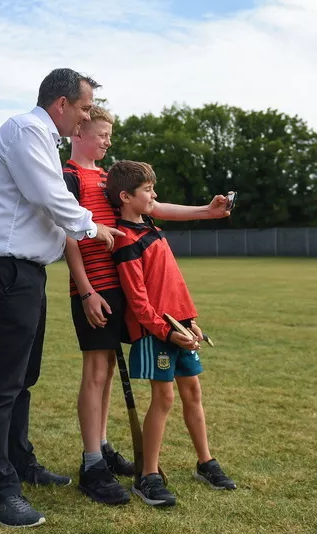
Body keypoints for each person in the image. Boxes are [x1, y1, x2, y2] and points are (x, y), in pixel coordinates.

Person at [0, 68, 124, 528]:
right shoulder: (26, 131)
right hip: (4, 269)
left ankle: (19, 462)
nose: (86, 116)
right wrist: (94, 227)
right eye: (85, 108)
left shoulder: (41, 138)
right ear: (61, 104)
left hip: (26, 272)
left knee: (23, 376)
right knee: (0, 383)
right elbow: (48, 197)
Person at [62, 108, 231, 505]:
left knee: (108, 371)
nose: (107, 141)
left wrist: (206, 212)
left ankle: (101, 447)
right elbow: (67, 233)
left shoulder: (108, 177)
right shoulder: (68, 177)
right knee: (97, 370)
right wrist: (85, 291)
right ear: (78, 129)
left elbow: (152, 207)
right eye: (101, 133)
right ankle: (92, 463)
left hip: (120, 288)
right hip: (95, 288)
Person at [105, 160, 237, 507]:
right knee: (164, 399)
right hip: (155, 334)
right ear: (125, 197)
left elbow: (173, 285)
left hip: (180, 327)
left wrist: (189, 320)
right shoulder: (125, 241)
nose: (154, 195)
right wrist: (166, 330)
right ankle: (148, 476)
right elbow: (138, 302)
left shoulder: (150, 226)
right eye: (148, 190)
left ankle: (206, 462)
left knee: (193, 391)